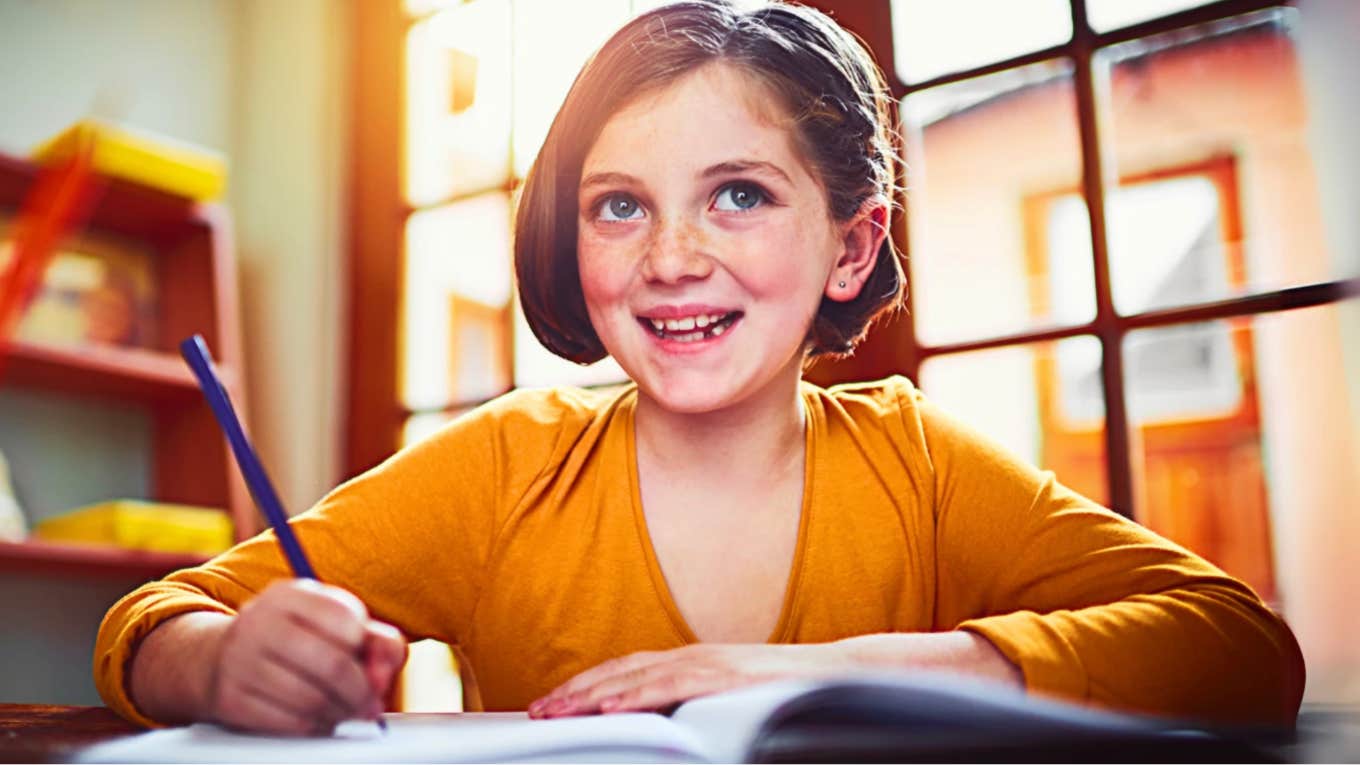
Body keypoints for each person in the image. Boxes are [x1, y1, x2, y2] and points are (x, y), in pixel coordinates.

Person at [95, 0, 1305, 736]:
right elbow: (153, 619)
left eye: (738, 195)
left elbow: (1239, 648)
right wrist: (219, 661)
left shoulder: (920, 465)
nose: (672, 256)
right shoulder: (505, 467)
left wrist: (840, 670)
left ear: (852, 242)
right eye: (619, 206)